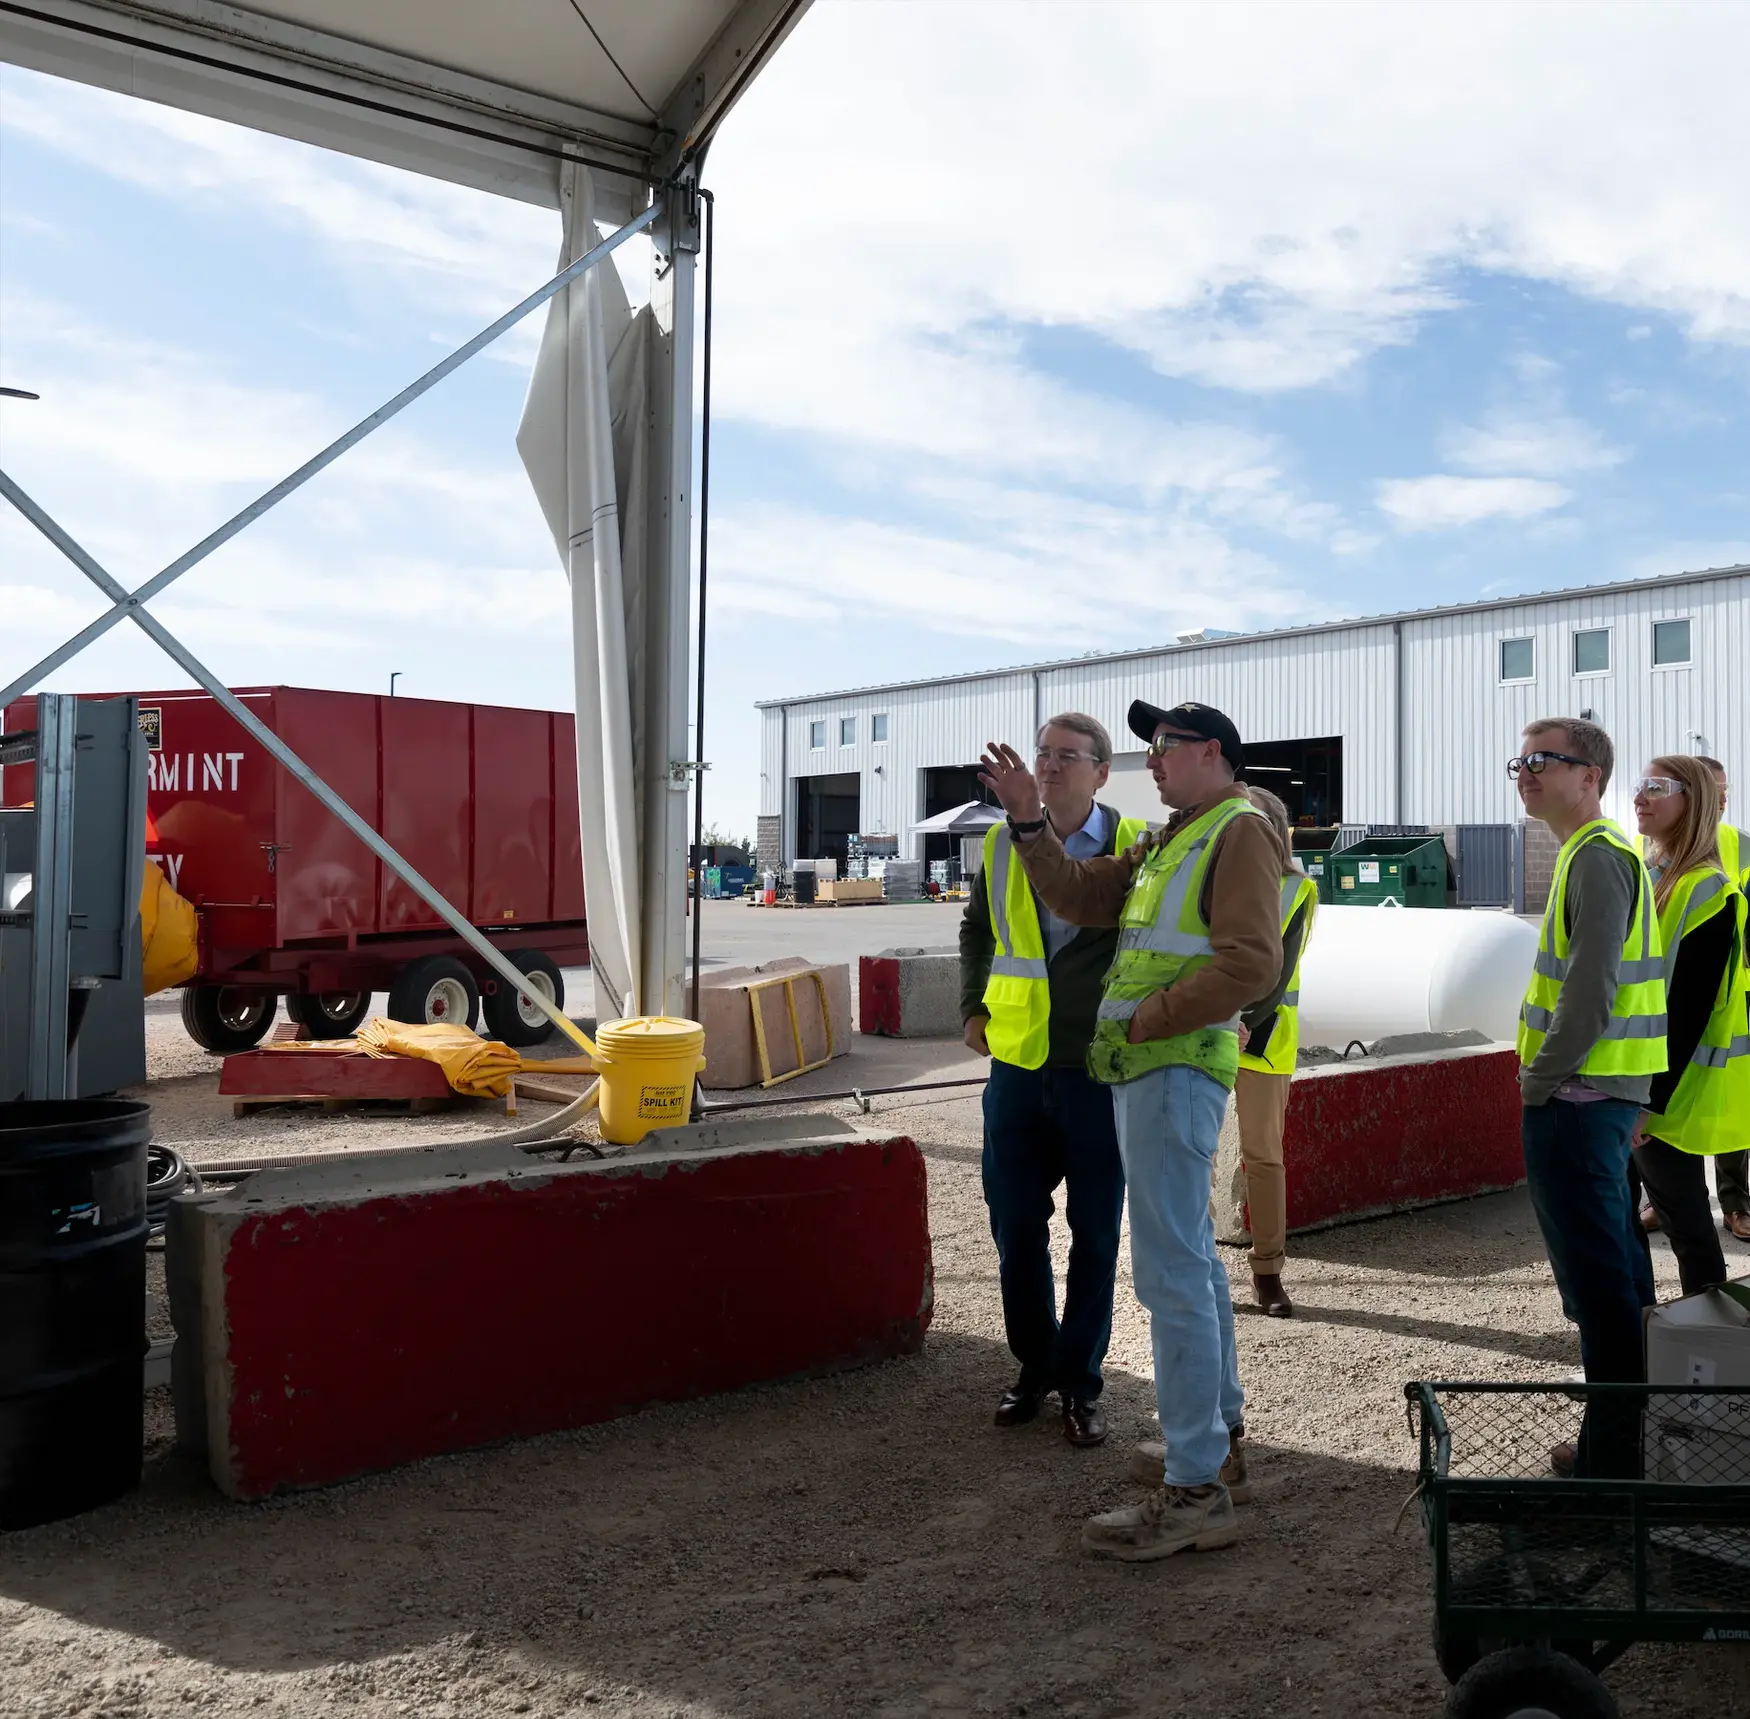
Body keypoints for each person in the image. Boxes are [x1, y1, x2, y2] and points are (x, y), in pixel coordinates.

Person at [980, 700, 1283, 1561]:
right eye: (1148, 747)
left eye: (1167, 746)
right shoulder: (1173, 838)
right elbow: (1080, 893)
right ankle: (1216, 1447)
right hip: (1151, 1069)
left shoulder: (1237, 830)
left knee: (1170, 1271)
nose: (1152, 760)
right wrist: (1032, 823)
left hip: (1170, 1065)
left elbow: (1250, 959)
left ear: (1213, 753)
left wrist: (1152, 1017)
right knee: (1187, 1256)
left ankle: (1193, 1489)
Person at [959, 714, 1150, 1447]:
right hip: (1016, 1065)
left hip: (1095, 1068)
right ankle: (1034, 1365)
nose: (1048, 765)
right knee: (1014, 1226)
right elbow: (978, 928)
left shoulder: (1137, 844)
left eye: (1067, 756)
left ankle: (1081, 1380)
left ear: (1103, 772)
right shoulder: (1000, 841)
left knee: (1096, 1233)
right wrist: (974, 1004)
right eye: (1043, 754)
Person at [1514, 717, 1666, 1478]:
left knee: (1599, 1285)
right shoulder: (1592, 854)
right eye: (1523, 759)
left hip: (1575, 1098)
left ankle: (1613, 1460)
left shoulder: (1598, 858)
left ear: (1591, 776)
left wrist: (1540, 1080)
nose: (1527, 770)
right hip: (1593, 1096)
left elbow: (1592, 989)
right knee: (1616, 1276)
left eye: (1547, 759)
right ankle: (1635, 1443)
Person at [1628, 755, 1750, 1295]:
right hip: (1636, 1079)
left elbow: (1687, 1011)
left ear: (1693, 802)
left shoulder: (1704, 889)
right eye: (1640, 785)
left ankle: (1707, 1348)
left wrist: (1648, 1104)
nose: (1640, 796)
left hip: (1662, 1091)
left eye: (1658, 787)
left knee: (1689, 1230)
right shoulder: (1657, 874)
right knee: (1645, 1219)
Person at [1229, 786, 1318, 1318]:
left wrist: (1236, 1024)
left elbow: (1276, 972)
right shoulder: (1213, 880)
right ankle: (1197, 1271)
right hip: (1208, 1033)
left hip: (1259, 1041)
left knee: (1263, 1158)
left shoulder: (1294, 888)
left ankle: (1268, 1274)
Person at [1696, 757, 1750, 1244]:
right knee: (1676, 1102)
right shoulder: (1646, 847)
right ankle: (1673, 1202)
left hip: (1735, 1001)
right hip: (1674, 1001)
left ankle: (1736, 1202)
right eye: (1715, 788)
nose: (1725, 797)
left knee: (1732, 1100)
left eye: (1726, 789)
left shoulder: (1741, 845)